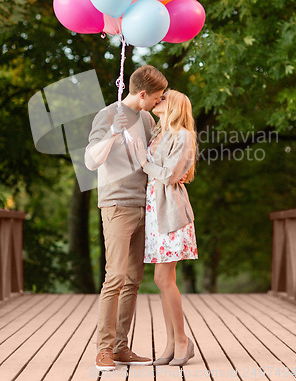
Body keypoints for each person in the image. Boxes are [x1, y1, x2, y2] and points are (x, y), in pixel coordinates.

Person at [84, 65, 168, 371]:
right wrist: (113, 134)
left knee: (133, 279)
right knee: (115, 276)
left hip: (142, 204)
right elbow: (91, 160)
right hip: (116, 204)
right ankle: (103, 349)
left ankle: (120, 348)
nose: (160, 101)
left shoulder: (146, 118)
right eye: (157, 97)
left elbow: (151, 158)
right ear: (143, 94)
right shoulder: (106, 115)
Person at [134, 89, 198, 367]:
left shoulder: (183, 135)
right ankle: (172, 342)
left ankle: (182, 340)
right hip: (154, 210)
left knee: (164, 278)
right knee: (162, 280)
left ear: (174, 106)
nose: (158, 99)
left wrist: (145, 163)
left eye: (164, 98)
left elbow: (172, 174)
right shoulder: (157, 133)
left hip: (170, 210)